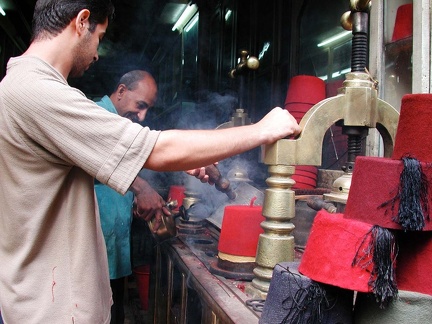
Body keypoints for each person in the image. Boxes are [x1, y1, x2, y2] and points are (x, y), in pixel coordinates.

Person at [0, 0, 301, 323]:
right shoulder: (39, 92)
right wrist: (261, 130)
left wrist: (176, 159)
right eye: (100, 37)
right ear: (81, 21)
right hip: (50, 311)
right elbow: (155, 149)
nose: (97, 53)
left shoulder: (26, 87)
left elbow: (116, 158)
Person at [94, 70, 164, 323]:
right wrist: (141, 188)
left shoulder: (123, 125)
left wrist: (130, 200)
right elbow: (94, 161)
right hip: (94, 250)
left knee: (115, 311)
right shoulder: (95, 116)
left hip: (114, 246)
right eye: (140, 106)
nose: (143, 116)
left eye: (148, 109)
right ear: (121, 91)